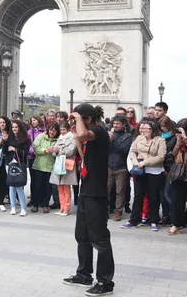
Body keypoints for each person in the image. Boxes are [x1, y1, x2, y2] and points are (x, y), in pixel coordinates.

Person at [63, 104, 114, 297]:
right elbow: (83, 154)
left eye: (78, 119)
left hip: (97, 193)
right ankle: (84, 274)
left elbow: (84, 135)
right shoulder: (89, 133)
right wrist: (75, 133)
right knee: (82, 235)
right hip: (85, 190)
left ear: (88, 119)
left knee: (99, 239)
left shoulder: (99, 131)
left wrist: (77, 120)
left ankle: (105, 282)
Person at [107, 116, 133, 221]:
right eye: (114, 123)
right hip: (109, 167)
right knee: (106, 190)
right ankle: (106, 209)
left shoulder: (128, 137)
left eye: (118, 123)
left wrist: (113, 141)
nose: (115, 125)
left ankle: (118, 211)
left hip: (121, 168)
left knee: (120, 191)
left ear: (123, 125)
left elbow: (124, 150)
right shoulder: (109, 134)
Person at [49, 121, 77, 216]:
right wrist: (54, 151)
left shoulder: (72, 138)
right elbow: (54, 151)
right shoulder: (59, 138)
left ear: (68, 129)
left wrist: (58, 150)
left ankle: (67, 207)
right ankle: (62, 206)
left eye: (64, 129)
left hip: (67, 163)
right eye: (60, 129)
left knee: (66, 186)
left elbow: (70, 151)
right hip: (59, 163)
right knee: (59, 186)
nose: (62, 131)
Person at [31, 123, 59, 213]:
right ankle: (35, 204)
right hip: (39, 166)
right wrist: (45, 150)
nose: (52, 132)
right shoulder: (41, 136)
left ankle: (46, 205)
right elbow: (35, 147)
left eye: (54, 130)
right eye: (51, 130)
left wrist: (54, 151)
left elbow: (59, 152)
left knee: (48, 187)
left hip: (50, 167)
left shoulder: (58, 140)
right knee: (37, 186)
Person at [7, 120, 31, 216]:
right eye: (13, 127)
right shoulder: (9, 137)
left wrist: (15, 148)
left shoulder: (25, 139)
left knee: (19, 186)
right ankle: (12, 207)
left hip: (20, 163)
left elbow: (25, 152)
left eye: (16, 127)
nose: (14, 129)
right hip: (10, 163)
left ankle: (23, 208)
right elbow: (5, 150)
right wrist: (7, 146)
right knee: (11, 186)